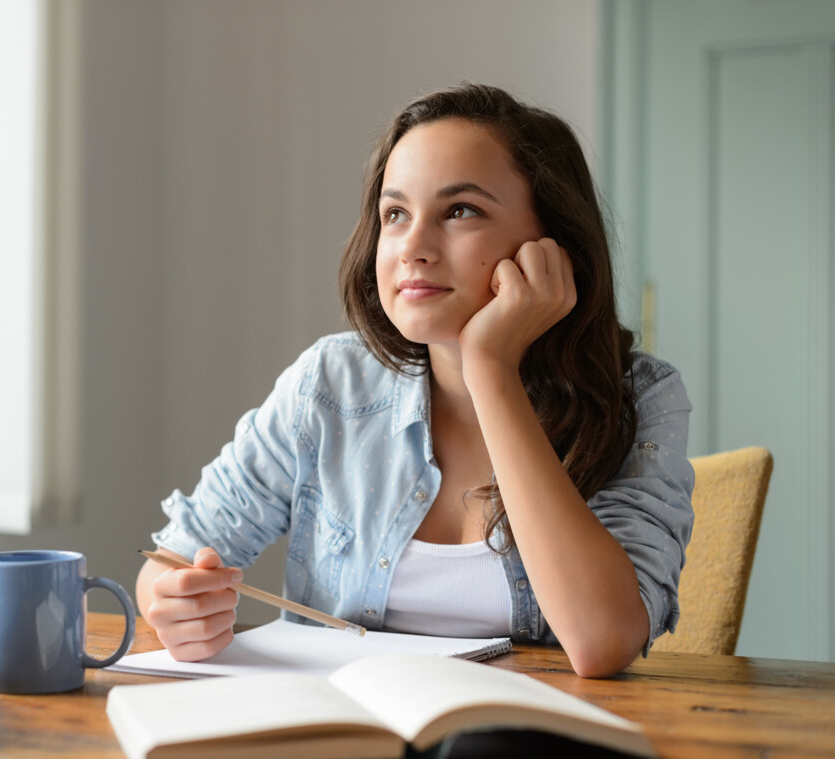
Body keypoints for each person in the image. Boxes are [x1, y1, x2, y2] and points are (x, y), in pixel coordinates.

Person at [135, 83, 694, 678]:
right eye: (395, 214)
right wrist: (175, 604)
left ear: (552, 244)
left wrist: (490, 368)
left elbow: (603, 642)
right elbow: (168, 562)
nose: (413, 248)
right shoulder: (329, 385)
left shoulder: (640, 396)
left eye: (460, 211)